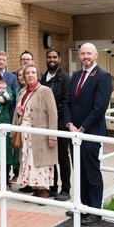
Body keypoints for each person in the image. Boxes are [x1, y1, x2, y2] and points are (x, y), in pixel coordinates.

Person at [64, 42, 113, 226]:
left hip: (90, 133)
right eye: (83, 53)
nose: (85, 56)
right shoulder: (76, 75)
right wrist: (69, 124)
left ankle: (94, 211)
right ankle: (82, 206)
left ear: (96, 55)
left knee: (91, 172)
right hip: (74, 133)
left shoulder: (103, 77)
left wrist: (82, 128)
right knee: (79, 171)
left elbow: (99, 108)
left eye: (89, 54)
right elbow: (68, 102)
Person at [13, 65, 58, 198]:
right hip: (25, 135)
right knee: (28, 162)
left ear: (37, 75)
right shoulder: (22, 92)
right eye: (27, 73)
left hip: (40, 135)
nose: (30, 75)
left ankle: (43, 190)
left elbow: (53, 114)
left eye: (33, 72)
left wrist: (52, 136)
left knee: (40, 163)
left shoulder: (45, 91)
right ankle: (35, 189)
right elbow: (17, 114)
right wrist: (13, 132)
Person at [41, 48, 72, 201]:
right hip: (45, 125)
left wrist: (54, 115)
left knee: (62, 157)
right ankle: (52, 187)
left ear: (59, 59)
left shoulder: (65, 78)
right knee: (49, 158)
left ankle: (65, 189)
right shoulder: (43, 78)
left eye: (54, 57)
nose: (51, 60)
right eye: (49, 57)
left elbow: (66, 101)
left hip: (59, 124)